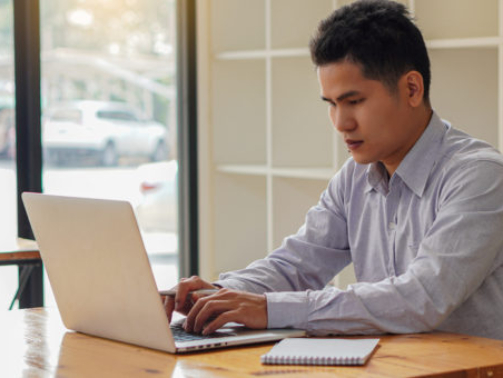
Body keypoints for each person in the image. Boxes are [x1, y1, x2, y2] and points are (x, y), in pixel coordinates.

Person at [164, 0, 503, 339]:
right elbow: (296, 266)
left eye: (354, 102)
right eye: (331, 104)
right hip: (392, 367)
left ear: (411, 89)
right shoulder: (356, 176)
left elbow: (422, 298)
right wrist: (218, 294)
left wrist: (268, 309)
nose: (341, 123)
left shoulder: (479, 176)